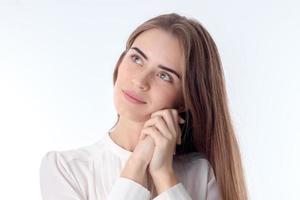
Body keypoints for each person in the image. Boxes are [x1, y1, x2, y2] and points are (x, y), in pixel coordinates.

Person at [40, 13, 248, 200]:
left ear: (185, 99)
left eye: (164, 75)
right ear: (120, 63)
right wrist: (138, 162)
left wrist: (164, 175)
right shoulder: (64, 169)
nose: (140, 81)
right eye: (137, 58)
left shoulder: (201, 175)